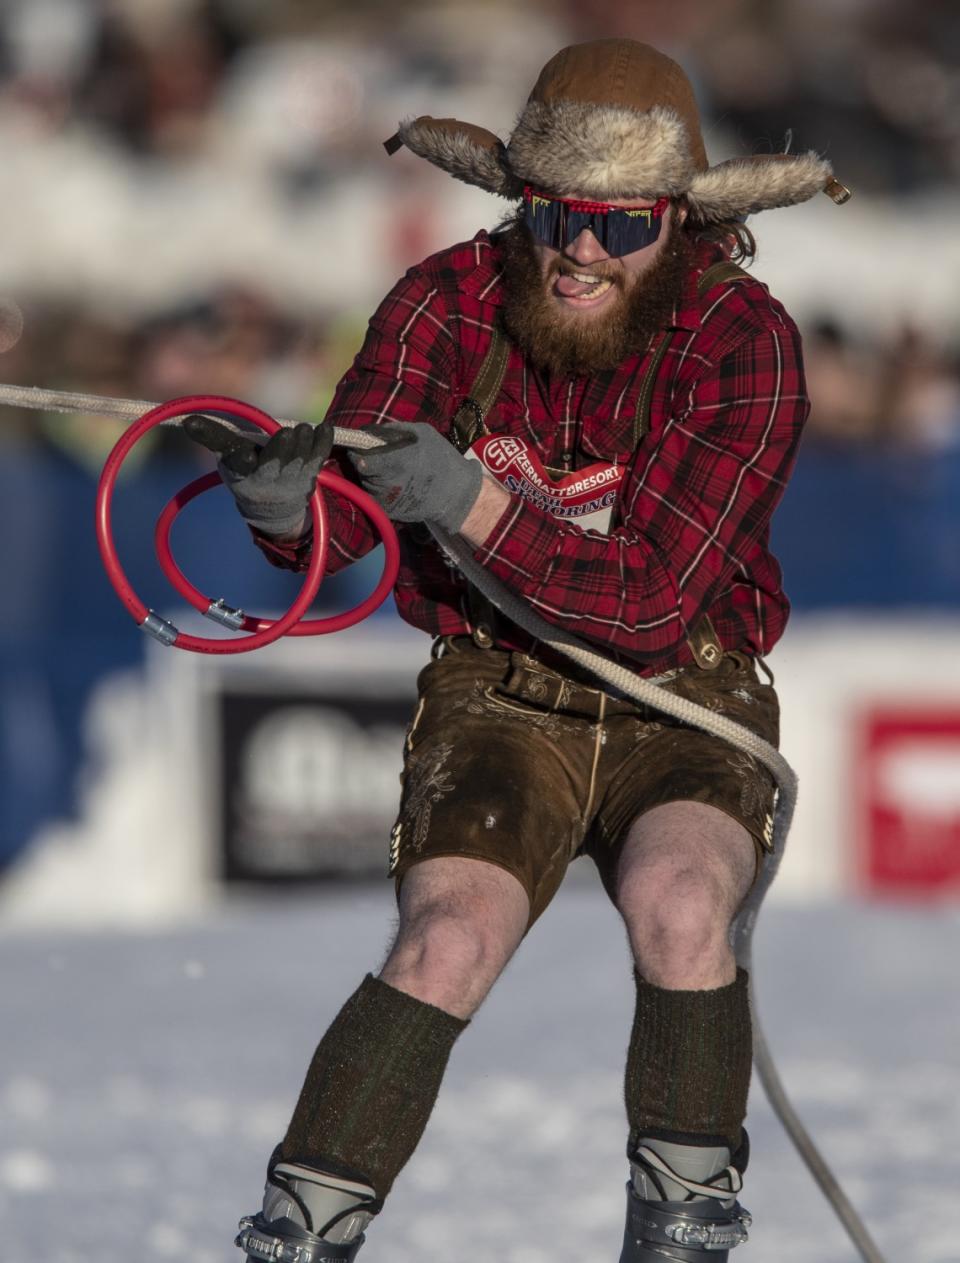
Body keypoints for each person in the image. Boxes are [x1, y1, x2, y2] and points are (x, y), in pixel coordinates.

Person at [187, 39, 848, 1263]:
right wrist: (288, 509)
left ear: (681, 225)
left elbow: (649, 607)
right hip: (494, 686)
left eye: (619, 224)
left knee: (682, 901)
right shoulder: (441, 301)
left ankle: (684, 1227)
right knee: (448, 937)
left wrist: (474, 502)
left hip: (685, 690)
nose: (580, 253)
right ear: (520, 202)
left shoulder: (746, 340)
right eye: (555, 215)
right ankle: (299, 1236)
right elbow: (341, 537)